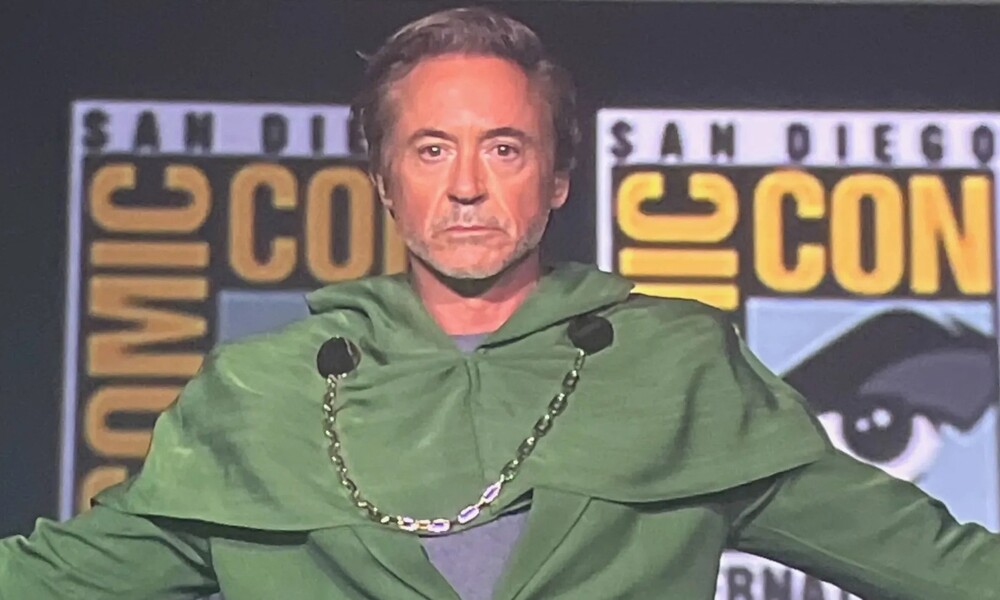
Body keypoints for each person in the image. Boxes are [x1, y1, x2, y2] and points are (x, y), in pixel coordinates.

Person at [2, 7, 998, 600]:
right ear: (385, 182)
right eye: (432, 148)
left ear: (557, 179)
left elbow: (939, 564)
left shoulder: (675, 371)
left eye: (505, 148)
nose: (468, 186)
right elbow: (58, 577)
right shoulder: (261, 397)